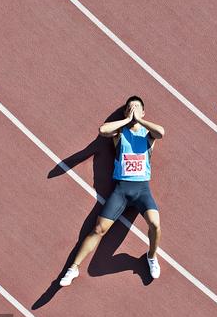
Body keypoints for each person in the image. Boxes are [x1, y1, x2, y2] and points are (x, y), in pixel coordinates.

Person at [60, 95, 165, 286]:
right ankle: (72, 269)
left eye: (137, 108)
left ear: (143, 112)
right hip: (121, 191)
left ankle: (151, 256)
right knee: (99, 229)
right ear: (126, 113)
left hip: (142, 191)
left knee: (155, 225)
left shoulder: (148, 135)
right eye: (129, 108)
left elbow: (161, 132)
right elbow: (102, 130)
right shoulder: (120, 134)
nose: (133, 111)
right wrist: (127, 120)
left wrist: (139, 120)